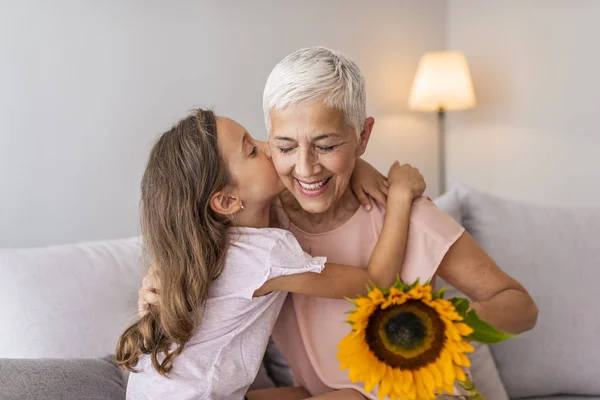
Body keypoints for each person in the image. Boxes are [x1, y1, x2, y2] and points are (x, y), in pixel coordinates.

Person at [140, 47, 538, 399]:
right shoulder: (261, 222)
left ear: (362, 137)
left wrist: (437, 328)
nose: (305, 168)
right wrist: (159, 278)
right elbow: (191, 231)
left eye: (327, 145)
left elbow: (520, 306)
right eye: (284, 146)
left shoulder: (408, 215)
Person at [117, 108, 427, 400]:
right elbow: (375, 282)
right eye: (251, 150)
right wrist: (399, 196)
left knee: (304, 393)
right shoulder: (264, 254)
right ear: (226, 201)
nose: (270, 147)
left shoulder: (198, 243)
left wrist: (357, 166)